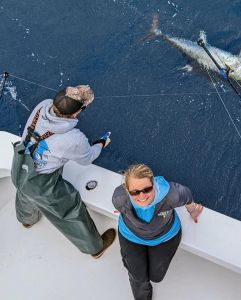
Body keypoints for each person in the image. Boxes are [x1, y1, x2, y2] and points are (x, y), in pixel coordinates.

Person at [11, 85, 116, 259]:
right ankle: (95, 247)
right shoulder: (74, 138)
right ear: (75, 113)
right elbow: (87, 158)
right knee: (71, 207)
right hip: (41, 184)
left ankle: (27, 221)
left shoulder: (42, 105)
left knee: (23, 191)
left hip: (20, 165)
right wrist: (100, 143)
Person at [112, 163, 203, 300]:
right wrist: (125, 211)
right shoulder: (119, 198)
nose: (142, 196)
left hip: (165, 236)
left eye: (147, 189)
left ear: (153, 184)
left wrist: (193, 211)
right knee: (138, 276)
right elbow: (120, 208)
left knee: (157, 277)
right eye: (134, 192)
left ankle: (133, 263)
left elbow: (187, 196)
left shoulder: (173, 194)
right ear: (127, 189)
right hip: (131, 236)